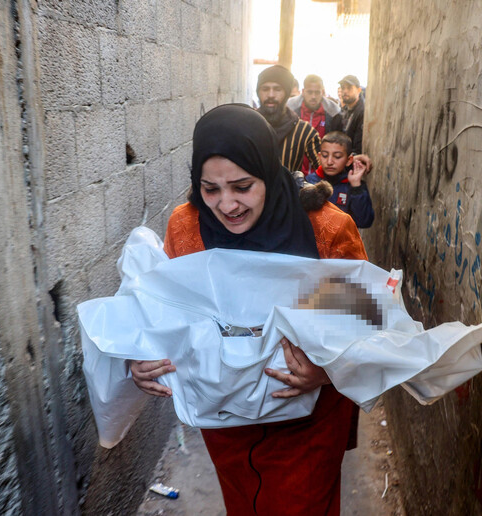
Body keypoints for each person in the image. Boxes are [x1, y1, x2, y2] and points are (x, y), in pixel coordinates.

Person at [130, 104, 367, 515]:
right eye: (211, 189)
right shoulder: (186, 228)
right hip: (226, 415)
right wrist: (142, 351)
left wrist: (325, 373)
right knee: (245, 503)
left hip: (307, 417)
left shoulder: (326, 230)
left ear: (269, 172)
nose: (227, 205)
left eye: (243, 186)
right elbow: (165, 309)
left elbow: (366, 329)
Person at [256, 65, 321, 173]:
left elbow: (324, 170)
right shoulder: (247, 126)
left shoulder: (304, 131)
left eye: (277, 89)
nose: (271, 95)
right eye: (265, 89)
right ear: (258, 93)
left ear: (286, 93)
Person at [307, 131, 374, 228]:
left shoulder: (353, 186)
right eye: (325, 155)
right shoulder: (309, 182)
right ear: (319, 157)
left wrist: (356, 187)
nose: (330, 162)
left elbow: (364, 222)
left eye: (337, 156)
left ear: (349, 160)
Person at [286, 74, 341, 174]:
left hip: (321, 174)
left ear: (323, 92)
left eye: (317, 92)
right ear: (303, 92)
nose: (313, 96)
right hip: (294, 173)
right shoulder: (289, 111)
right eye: (309, 92)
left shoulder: (333, 114)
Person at [334, 75, 365, 155]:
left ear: (359, 90)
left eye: (349, 88)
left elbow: (359, 146)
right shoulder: (343, 111)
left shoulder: (363, 112)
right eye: (343, 88)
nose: (345, 91)